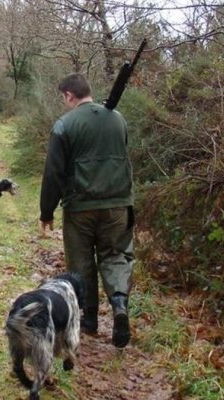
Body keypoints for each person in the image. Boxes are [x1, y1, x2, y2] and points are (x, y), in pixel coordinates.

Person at [39, 73, 134, 349]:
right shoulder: (118, 119)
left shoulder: (64, 125)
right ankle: (119, 306)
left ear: (69, 95)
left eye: (63, 98)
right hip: (118, 204)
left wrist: (47, 212)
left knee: (80, 263)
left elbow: (53, 173)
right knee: (116, 256)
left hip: (80, 207)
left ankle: (88, 320)